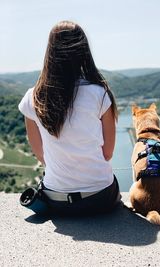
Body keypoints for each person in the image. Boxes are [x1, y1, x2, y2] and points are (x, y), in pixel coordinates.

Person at [18, 21, 121, 216]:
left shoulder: (33, 98)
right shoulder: (99, 94)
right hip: (100, 198)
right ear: (83, 51)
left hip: (57, 201)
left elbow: (42, 156)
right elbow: (107, 153)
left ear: (50, 52)